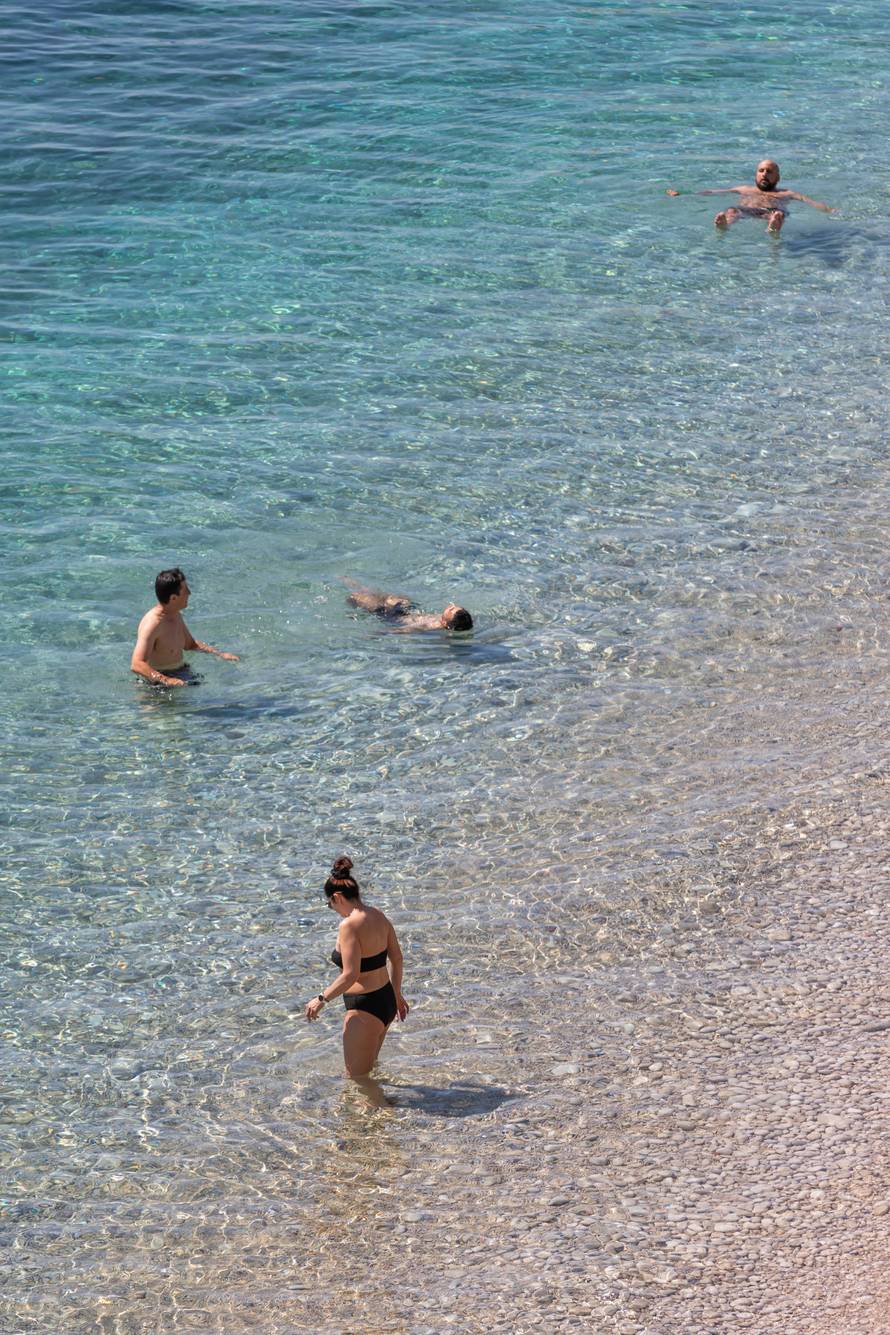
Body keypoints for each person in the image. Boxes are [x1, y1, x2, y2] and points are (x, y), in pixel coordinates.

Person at [305, 856, 409, 1080]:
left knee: (357, 1081)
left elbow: (351, 974)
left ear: (337, 897)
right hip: (386, 1000)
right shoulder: (378, 915)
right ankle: (384, 1102)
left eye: (330, 905)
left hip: (364, 1009)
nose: (334, 910)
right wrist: (396, 994)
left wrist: (321, 999)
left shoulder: (349, 925)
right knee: (369, 1072)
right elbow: (397, 958)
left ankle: (376, 1104)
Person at [130, 567, 239, 687]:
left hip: (181, 673)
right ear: (173, 598)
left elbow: (190, 644)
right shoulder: (152, 624)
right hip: (156, 684)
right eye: (186, 590)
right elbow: (136, 664)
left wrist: (220, 654)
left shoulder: (175, 614)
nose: (189, 593)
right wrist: (166, 680)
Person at [666, 159, 834, 234]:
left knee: (778, 214)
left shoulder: (786, 193)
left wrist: (830, 210)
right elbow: (714, 192)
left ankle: (773, 228)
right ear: (756, 175)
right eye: (761, 171)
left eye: (769, 171)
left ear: (777, 177)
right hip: (746, 211)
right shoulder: (745, 189)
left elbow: (810, 201)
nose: (764, 174)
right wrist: (684, 193)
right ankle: (725, 225)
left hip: (770, 211)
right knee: (732, 210)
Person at [343, 578, 473, 631]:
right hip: (407, 611)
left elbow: (403, 630)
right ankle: (352, 582)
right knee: (394, 598)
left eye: (450, 610)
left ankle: (347, 582)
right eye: (454, 606)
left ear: (445, 623)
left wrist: (377, 634)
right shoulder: (458, 621)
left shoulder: (429, 625)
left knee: (357, 596)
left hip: (392, 617)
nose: (450, 605)